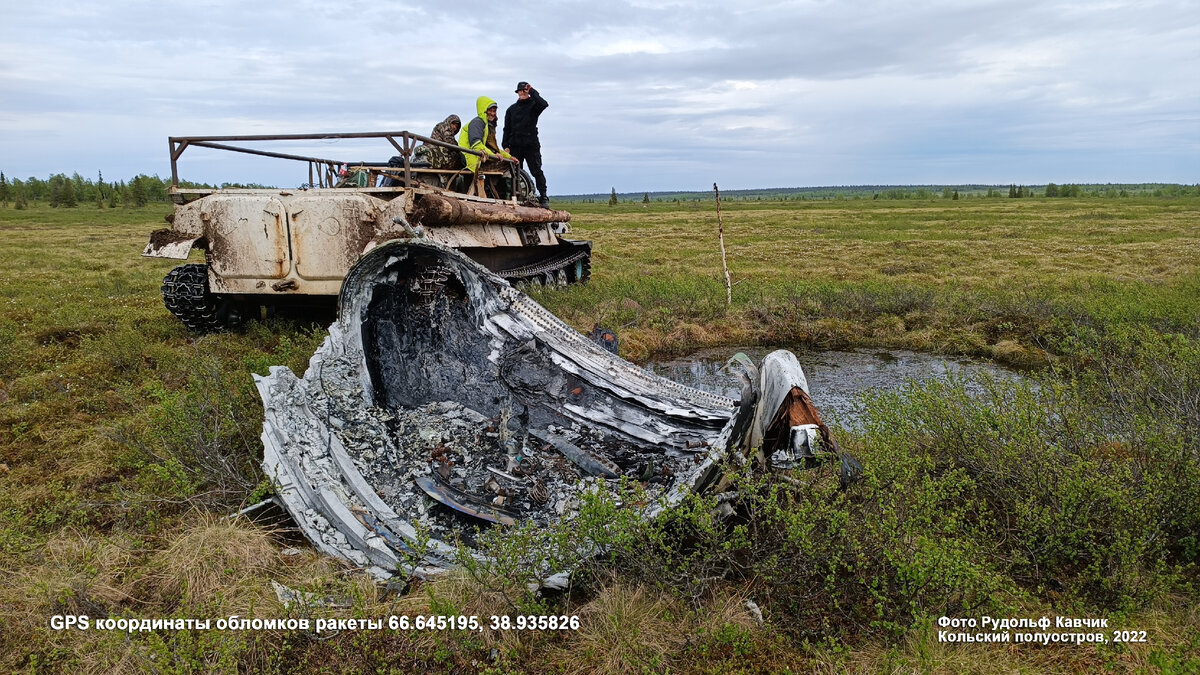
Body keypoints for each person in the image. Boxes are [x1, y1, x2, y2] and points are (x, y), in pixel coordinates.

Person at [502, 82, 550, 207]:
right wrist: (505, 146)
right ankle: (517, 196)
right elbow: (506, 129)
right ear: (517, 92)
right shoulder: (511, 110)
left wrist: (532, 91)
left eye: (525, 90)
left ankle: (544, 196)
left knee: (536, 171)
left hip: (531, 145)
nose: (522, 92)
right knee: (516, 173)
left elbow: (544, 104)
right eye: (520, 91)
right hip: (515, 146)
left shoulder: (534, 105)